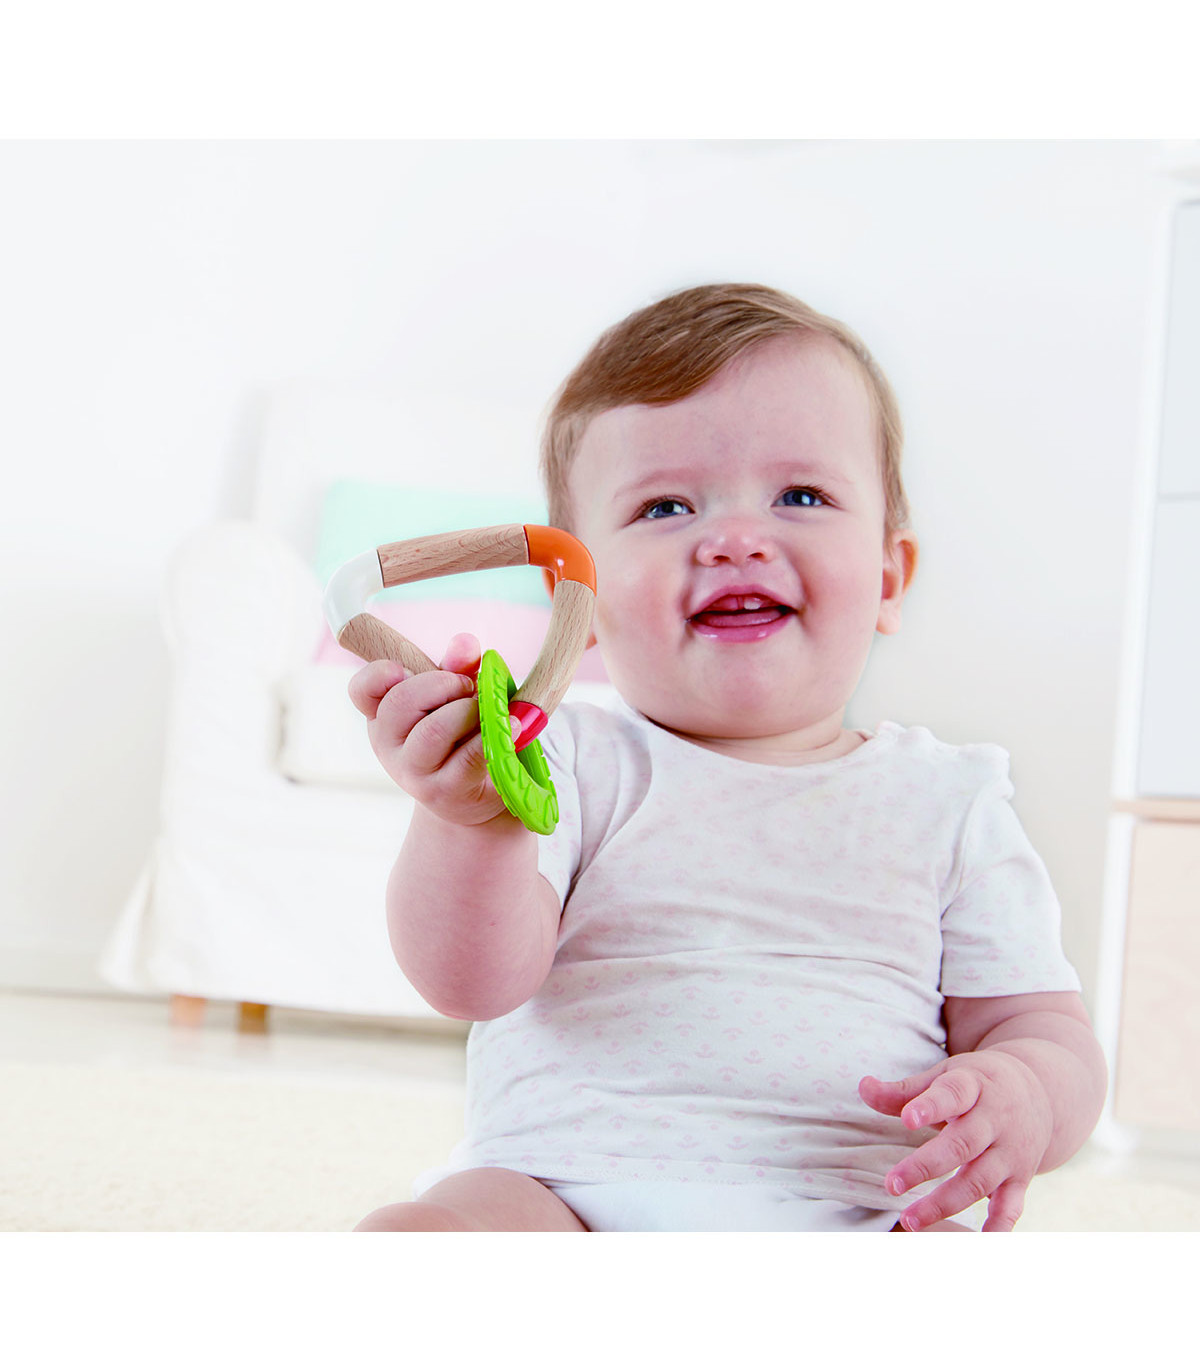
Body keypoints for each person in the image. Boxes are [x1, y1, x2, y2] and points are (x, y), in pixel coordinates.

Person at [348, 283, 1107, 1232]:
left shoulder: (950, 800)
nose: (736, 541)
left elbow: (1041, 1028)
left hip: (862, 1212)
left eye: (801, 496)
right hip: (563, 1197)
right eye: (665, 506)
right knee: (419, 1240)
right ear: (575, 598)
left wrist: (1028, 1091)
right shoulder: (562, 762)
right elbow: (469, 984)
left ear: (888, 576)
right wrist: (472, 823)